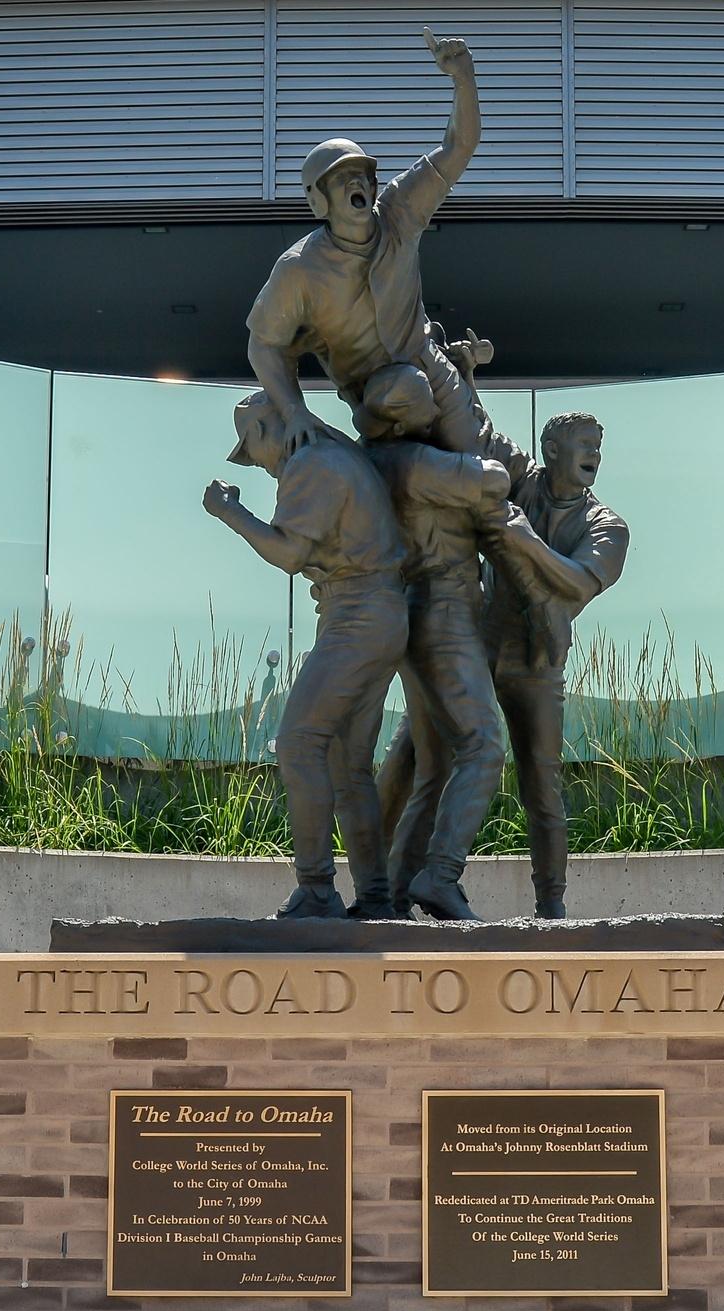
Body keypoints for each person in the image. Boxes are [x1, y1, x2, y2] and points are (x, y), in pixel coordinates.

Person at [202, 392, 407, 919]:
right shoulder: (330, 453)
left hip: (358, 615)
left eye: (251, 451)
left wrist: (229, 512)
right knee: (347, 765)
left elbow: (290, 553)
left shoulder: (311, 462)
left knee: (297, 743)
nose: (258, 465)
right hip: (375, 614)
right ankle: (376, 899)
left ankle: (316, 889)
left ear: (264, 430)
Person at [245, 29, 485, 457]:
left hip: (430, 365)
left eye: (362, 174)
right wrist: (295, 411)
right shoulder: (300, 268)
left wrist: (463, 78)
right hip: (378, 394)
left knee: (482, 460)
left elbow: (459, 146)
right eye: (341, 178)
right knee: (419, 451)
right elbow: (263, 345)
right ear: (319, 200)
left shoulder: (399, 210)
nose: (357, 182)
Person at [350, 364, 511, 921]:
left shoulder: (376, 459)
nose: (436, 408)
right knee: (484, 746)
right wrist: (465, 422)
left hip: (418, 612)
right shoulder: (414, 462)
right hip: (444, 612)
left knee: (432, 762)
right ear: (399, 420)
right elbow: (493, 477)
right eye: (425, 402)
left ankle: (391, 895)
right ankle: (441, 874)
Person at [480, 412, 630, 918]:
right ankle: (408, 884)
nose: (594, 455)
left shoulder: (607, 526)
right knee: (431, 753)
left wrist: (524, 540)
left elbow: (576, 583)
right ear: (551, 449)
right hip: (478, 645)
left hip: (537, 662)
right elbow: (476, 428)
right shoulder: (521, 480)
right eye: (584, 444)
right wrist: (465, 377)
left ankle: (552, 907)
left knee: (542, 786)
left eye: (597, 446)